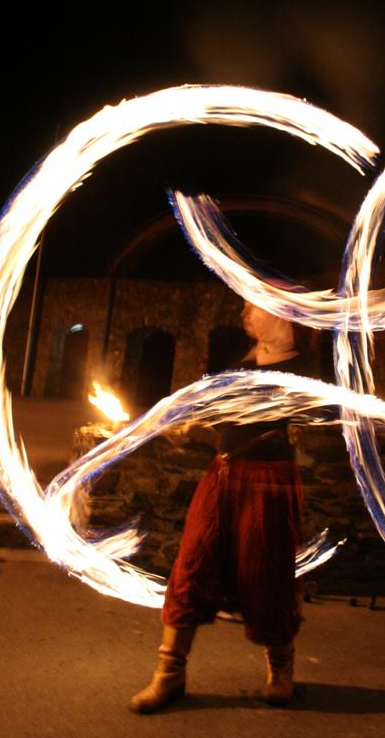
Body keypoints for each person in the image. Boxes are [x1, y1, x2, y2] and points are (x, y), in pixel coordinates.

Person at [129, 301, 316, 713]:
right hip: (223, 474)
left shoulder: (307, 371)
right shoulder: (244, 362)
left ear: (283, 316)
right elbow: (221, 410)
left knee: (265, 571)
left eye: (254, 308)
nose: (245, 315)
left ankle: (281, 668)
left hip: (268, 480)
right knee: (192, 562)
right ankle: (169, 674)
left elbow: (293, 412)